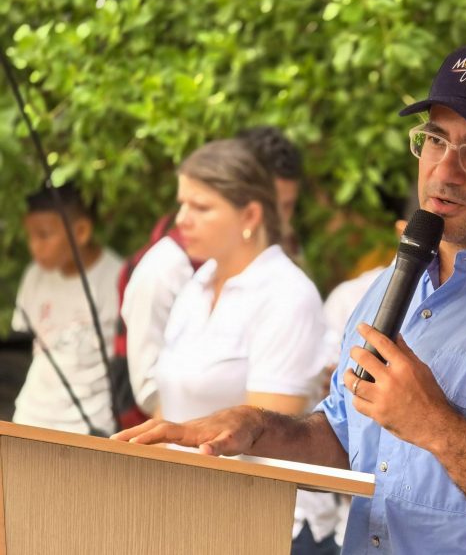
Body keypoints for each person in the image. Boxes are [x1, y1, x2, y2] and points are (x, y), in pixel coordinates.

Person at [114, 42, 466, 554]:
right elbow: (341, 433)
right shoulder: (397, 281)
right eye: (435, 140)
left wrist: (436, 425)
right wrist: (258, 428)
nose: (444, 171)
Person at [142, 138, 339, 554]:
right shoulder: (196, 285)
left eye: (201, 207)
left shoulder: (286, 293)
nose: (182, 219)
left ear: (250, 214)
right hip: (187, 511)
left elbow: (269, 431)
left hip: (267, 524)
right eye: (182, 204)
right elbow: (169, 407)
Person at [121, 126, 304, 417]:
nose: (277, 220)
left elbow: (271, 426)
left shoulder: (286, 282)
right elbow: (153, 392)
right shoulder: (175, 272)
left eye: (285, 206)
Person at [12, 182, 122, 435]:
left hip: (90, 426)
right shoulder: (34, 276)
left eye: (44, 235)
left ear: (81, 231)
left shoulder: (116, 279)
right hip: (30, 416)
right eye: (30, 236)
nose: (34, 246)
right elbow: (23, 344)